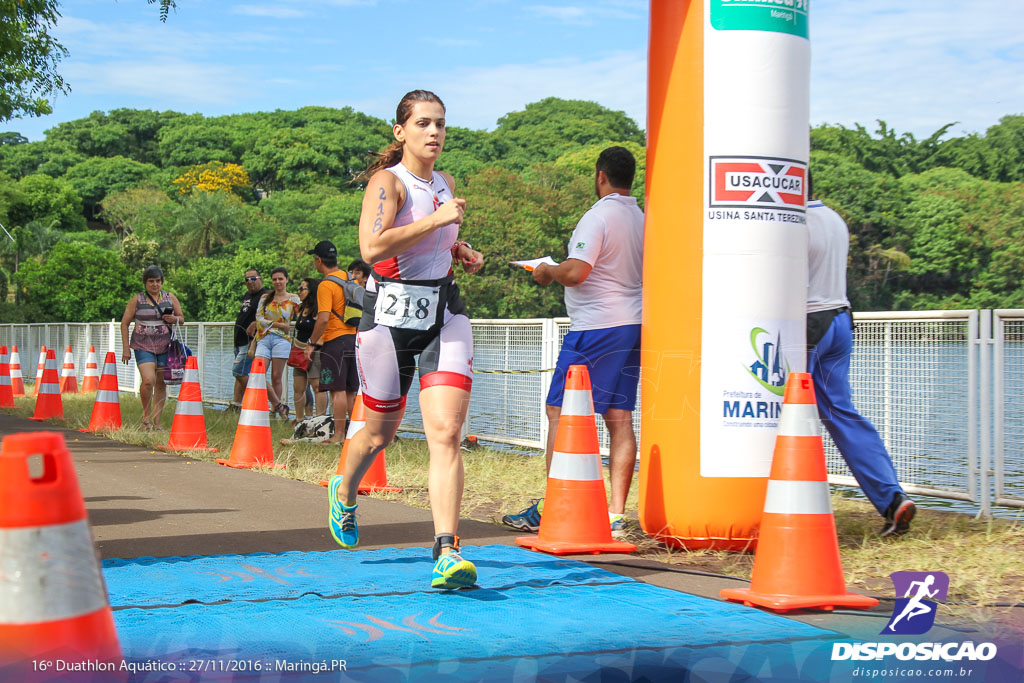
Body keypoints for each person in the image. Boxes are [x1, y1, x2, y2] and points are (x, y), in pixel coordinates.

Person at [328, 89, 484, 590]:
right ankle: (344, 488)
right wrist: (437, 221)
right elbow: (371, 247)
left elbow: (432, 242)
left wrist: (457, 247)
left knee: (445, 432)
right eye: (422, 123)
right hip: (389, 318)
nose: (434, 132)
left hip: (443, 310)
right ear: (401, 132)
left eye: (440, 123)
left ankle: (446, 551)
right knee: (379, 434)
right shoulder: (386, 183)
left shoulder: (446, 182)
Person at [502, 146, 644, 536]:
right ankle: (615, 513)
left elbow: (578, 271)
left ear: (600, 176)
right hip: (634, 325)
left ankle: (556, 505)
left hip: (596, 327)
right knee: (619, 418)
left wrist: (547, 271)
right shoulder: (641, 218)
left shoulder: (597, 217)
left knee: (558, 412)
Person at [806, 173, 915, 537]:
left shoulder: (791, 223)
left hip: (808, 323)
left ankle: (799, 507)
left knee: (786, 416)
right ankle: (891, 498)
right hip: (840, 318)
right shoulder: (834, 219)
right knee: (841, 414)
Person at [304, 240, 359, 443]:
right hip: (354, 338)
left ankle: (338, 436)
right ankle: (353, 435)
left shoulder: (325, 285)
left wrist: (312, 342)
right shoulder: (347, 277)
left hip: (335, 340)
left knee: (338, 391)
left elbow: (324, 318)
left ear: (318, 261)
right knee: (351, 391)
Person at [120, 264, 184, 430]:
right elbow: (125, 323)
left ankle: (157, 423)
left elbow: (182, 318)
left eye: (158, 281)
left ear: (162, 282)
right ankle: (145, 418)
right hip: (142, 345)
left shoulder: (170, 297)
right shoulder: (137, 300)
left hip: (165, 346)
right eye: (151, 281)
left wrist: (174, 319)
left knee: (161, 383)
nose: (155, 284)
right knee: (148, 380)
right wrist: (126, 348)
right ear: (145, 283)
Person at [254, 267, 301, 418]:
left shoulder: (293, 299)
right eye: (274, 279)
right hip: (264, 337)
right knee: (258, 373)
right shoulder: (265, 298)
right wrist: (279, 325)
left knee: (276, 376)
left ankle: (274, 411)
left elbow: (303, 316)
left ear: (286, 279)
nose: (277, 282)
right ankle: (280, 406)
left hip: (282, 340)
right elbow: (259, 318)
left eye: (280, 279)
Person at [231, 269, 268, 410]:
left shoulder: (265, 295)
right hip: (239, 340)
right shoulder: (247, 295)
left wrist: (256, 323)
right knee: (240, 374)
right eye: (247, 280)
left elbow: (269, 317)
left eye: (253, 278)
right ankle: (236, 404)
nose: (250, 282)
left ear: (260, 278)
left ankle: (260, 399)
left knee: (238, 371)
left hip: (250, 341)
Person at [291, 277, 327, 421]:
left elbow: (324, 328)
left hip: (315, 351)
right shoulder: (302, 307)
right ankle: (300, 421)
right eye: (299, 288)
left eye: (302, 288)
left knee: (317, 386)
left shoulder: (319, 309)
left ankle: (320, 421)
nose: (299, 291)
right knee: (298, 388)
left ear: (311, 290)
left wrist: (313, 345)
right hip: (299, 351)